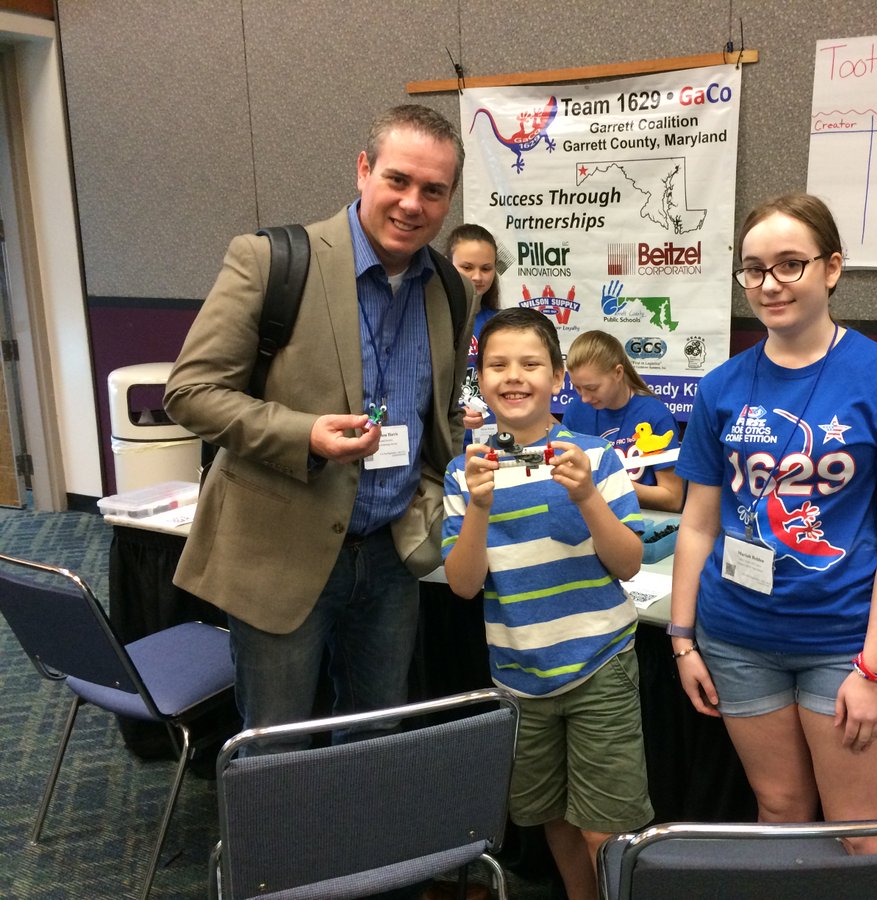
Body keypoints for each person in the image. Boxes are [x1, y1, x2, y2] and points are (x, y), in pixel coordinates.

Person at [164, 104, 478, 753]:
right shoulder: (272, 262)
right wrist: (304, 435)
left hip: (391, 559)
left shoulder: (452, 288)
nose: (412, 203)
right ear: (364, 170)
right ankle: (277, 856)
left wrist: (432, 485)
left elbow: (442, 409)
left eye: (433, 190)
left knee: (374, 734)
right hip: (279, 551)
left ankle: (355, 854)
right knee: (276, 745)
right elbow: (190, 393)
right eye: (397, 179)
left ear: (449, 199)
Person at [669, 193, 877, 854]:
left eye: (791, 264)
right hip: (735, 637)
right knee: (779, 806)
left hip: (842, 642)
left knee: (861, 827)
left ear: (832, 268)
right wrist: (681, 639)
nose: (770, 285)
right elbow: (699, 522)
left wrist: (875, 671)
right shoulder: (722, 387)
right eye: (754, 269)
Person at [442, 308, 653, 900]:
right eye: (498, 365)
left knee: (605, 830)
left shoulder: (596, 458)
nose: (514, 376)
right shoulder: (466, 473)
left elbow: (628, 562)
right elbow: (462, 583)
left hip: (598, 666)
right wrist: (479, 509)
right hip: (518, 675)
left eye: (531, 364)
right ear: (479, 380)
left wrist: (587, 494)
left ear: (558, 377)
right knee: (553, 815)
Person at [562, 331, 685, 512]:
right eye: (577, 388)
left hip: (643, 523)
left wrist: (606, 483)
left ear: (618, 373)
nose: (585, 398)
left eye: (592, 388)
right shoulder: (576, 411)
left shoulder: (655, 415)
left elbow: (672, 498)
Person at [448, 223, 501, 444]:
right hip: (448, 443)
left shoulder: (501, 323)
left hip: (496, 441)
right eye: (467, 267)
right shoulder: (432, 321)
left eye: (486, 268)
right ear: (448, 265)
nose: (477, 277)